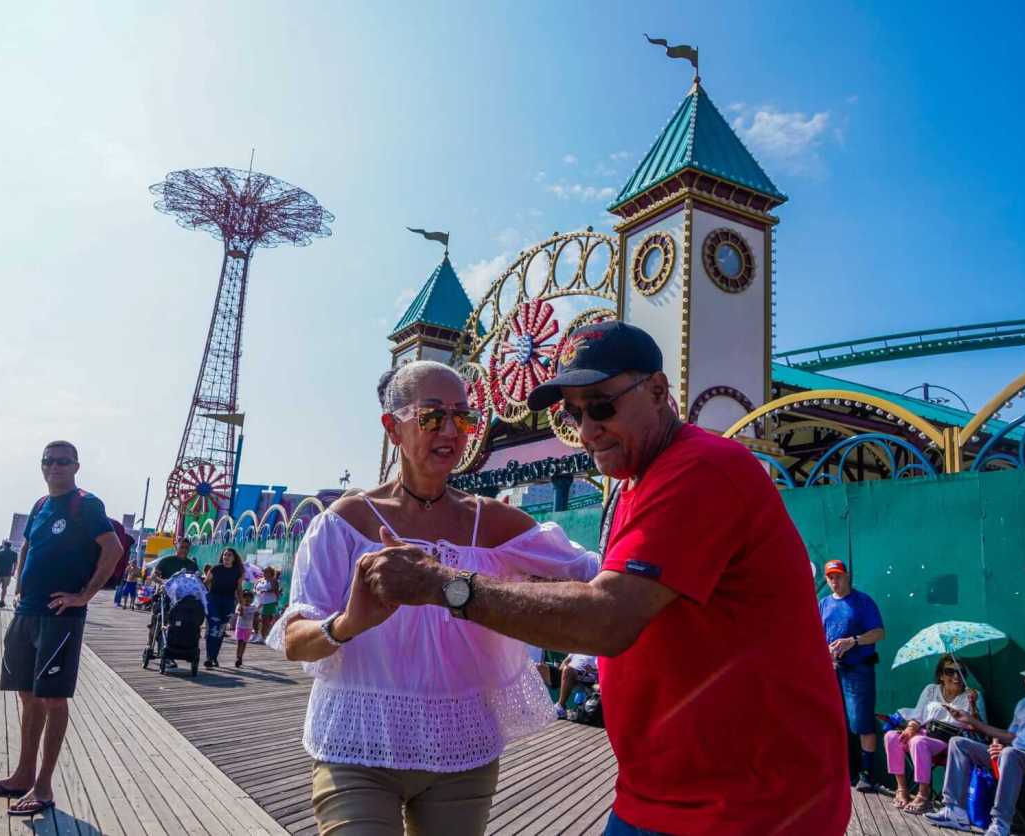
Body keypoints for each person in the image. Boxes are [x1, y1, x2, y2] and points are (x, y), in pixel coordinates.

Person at [359, 323, 852, 835]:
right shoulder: (640, 482)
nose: (586, 428)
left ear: (659, 392)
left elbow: (607, 618)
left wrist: (443, 586)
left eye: (600, 405)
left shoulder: (702, 468)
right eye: (571, 413)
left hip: (751, 807)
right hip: (664, 794)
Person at [273, 360, 600, 836]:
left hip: (462, 750)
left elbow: (594, 571)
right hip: (358, 745)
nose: (451, 430)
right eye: (431, 416)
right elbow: (294, 638)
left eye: (463, 418)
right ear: (393, 428)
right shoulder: (345, 523)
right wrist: (346, 624)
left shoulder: (491, 522)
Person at [0, 440, 123, 817]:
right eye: (48, 461)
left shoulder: (85, 503)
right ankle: (22, 774)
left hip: (61, 617)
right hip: (28, 611)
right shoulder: (40, 506)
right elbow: (28, 547)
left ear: (75, 466)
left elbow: (114, 549)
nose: (54, 467)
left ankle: (43, 787)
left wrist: (84, 595)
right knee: (27, 695)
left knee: (53, 700)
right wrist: (20, 582)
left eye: (62, 461)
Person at [926, 657, 1025, 836]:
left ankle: (1001, 824)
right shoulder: (1024, 704)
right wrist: (970, 721)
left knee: (1009, 753)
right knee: (958, 743)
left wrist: (1012, 751)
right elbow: (1009, 736)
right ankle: (955, 811)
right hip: (1013, 756)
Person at [885, 655, 987, 814]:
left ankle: (923, 796)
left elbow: (981, 729)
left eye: (961, 673)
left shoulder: (973, 695)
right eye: (950, 672)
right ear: (941, 675)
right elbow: (918, 715)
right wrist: (910, 728)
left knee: (918, 741)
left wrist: (973, 705)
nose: (956, 676)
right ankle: (902, 790)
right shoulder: (931, 690)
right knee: (892, 736)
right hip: (927, 731)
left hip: (950, 741)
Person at [820, 558, 886, 791]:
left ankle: (867, 774)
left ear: (847, 576)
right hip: (831, 671)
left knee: (861, 721)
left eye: (838, 576)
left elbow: (879, 633)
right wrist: (826, 650)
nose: (834, 581)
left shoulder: (863, 602)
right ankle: (840, 772)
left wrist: (853, 641)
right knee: (834, 721)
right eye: (830, 577)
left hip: (859, 671)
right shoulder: (824, 604)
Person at [147, 539, 198, 648]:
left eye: (186, 547)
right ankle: (150, 646)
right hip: (165, 596)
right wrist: (162, 581)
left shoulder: (192, 565)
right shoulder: (166, 561)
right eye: (182, 547)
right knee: (157, 622)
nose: (184, 550)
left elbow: (196, 581)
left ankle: (169, 649)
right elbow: (153, 576)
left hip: (183, 600)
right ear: (176, 547)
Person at [204, 548, 244, 668]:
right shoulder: (215, 569)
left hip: (228, 602)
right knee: (213, 629)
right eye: (225, 555)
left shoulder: (238, 571)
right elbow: (205, 583)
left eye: (229, 555)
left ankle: (214, 657)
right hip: (213, 601)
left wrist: (241, 604)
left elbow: (239, 589)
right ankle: (209, 658)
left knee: (220, 630)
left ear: (234, 558)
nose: (226, 557)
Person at [555, 653, 599, 719]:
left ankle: (560, 707)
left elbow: (603, 670)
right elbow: (566, 661)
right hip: (571, 674)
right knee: (542, 667)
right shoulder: (578, 648)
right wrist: (561, 669)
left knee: (568, 670)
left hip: (589, 678)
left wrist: (592, 671)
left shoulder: (599, 651)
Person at [254, 566, 281, 642]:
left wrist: (266, 591)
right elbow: (255, 588)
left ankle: (263, 636)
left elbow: (275, 590)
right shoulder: (260, 580)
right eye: (264, 571)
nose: (265, 573)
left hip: (269, 602)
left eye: (267, 571)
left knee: (265, 620)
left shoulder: (273, 580)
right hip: (259, 602)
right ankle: (257, 634)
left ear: (271, 573)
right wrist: (256, 591)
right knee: (255, 617)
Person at [233, 588, 258, 668]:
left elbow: (256, 618)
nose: (247, 600)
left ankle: (240, 657)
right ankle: (238, 657)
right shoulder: (240, 606)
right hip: (240, 627)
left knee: (244, 643)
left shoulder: (253, 607)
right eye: (245, 598)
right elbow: (238, 613)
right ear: (242, 599)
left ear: (252, 600)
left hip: (248, 628)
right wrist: (241, 610)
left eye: (249, 599)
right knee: (239, 642)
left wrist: (256, 628)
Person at [0, 540, 17, 608]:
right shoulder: (14, 553)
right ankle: (2, 601)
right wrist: (13, 571)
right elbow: (15, 563)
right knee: (4, 588)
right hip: (7, 573)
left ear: (4, 545)